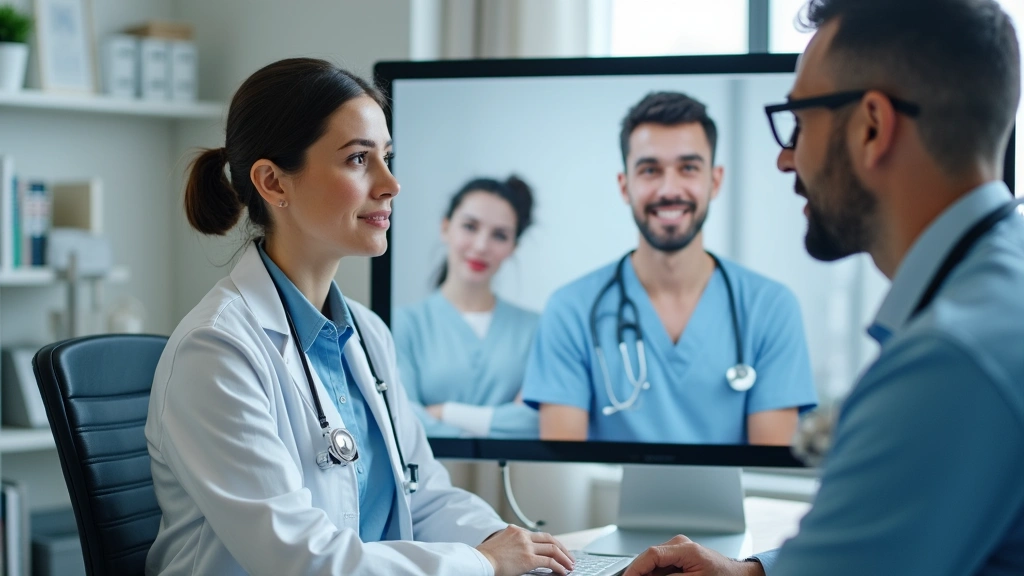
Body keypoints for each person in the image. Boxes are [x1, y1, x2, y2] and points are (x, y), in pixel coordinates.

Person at [624, 0, 1024, 574]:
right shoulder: (996, 296)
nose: (787, 158)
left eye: (799, 122)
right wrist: (754, 572)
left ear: (871, 127)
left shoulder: (952, 358)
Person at [144, 58, 575, 576]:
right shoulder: (216, 351)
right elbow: (302, 560)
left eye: (387, 157)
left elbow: (424, 495)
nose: (391, 184)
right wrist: (481, 564)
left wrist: (510, 546)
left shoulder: (367, 335)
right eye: (357, 159)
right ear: (273, 183)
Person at [520, 91, 817, 445]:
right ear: (624, 185)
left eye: (688, 168)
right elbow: (562, 455)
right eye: (650, 170)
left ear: (715, 180)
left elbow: (770, 466)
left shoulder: (770, 308)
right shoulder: (571, 311)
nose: (669, 189)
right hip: (610, 503)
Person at [393, 176, 541, 439]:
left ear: (513, 247)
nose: (481, 246)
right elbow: (402, 417)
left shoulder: (536, 329)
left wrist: (444, 412)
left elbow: (537, 422)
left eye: (500, 235)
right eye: (470, 227)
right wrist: (497, 424)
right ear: (445, 227)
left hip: (511, 478)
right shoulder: (403, 324)